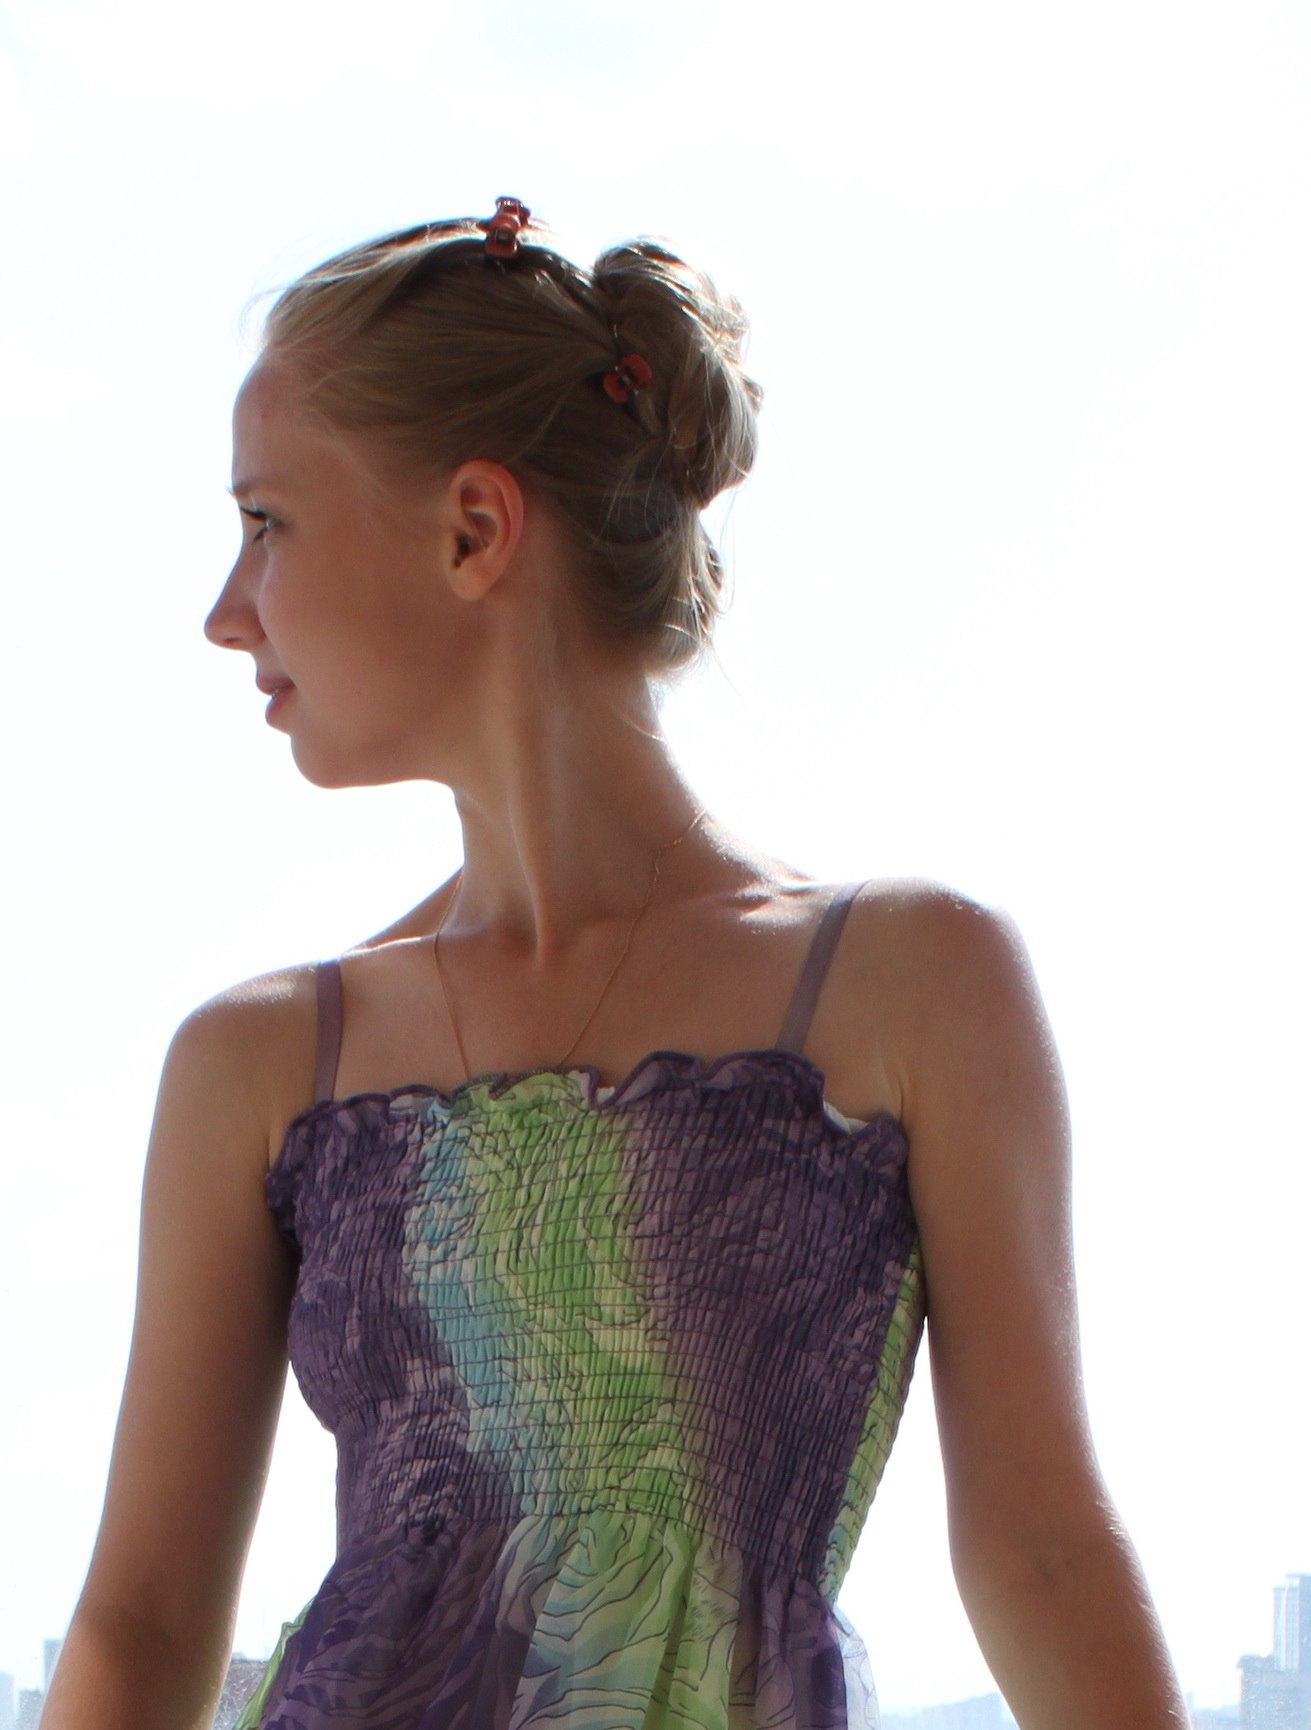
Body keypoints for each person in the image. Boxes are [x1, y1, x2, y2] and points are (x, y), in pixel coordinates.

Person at [42, 199, 1189, 1730]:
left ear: (473, 528)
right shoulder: (258, 1062)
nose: (222, 611)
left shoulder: (913, 985)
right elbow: (139, 1622)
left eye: (266, 522)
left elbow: (1046, 1559)